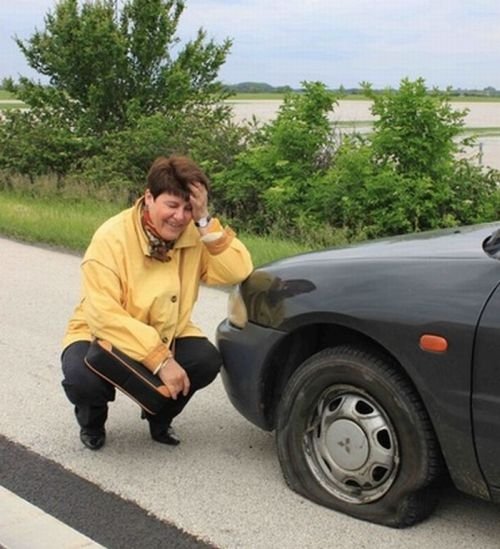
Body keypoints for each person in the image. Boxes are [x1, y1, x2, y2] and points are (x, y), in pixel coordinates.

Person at [61, 155, 253, 450]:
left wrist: (204, 222)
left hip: (166, 330)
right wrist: (161, 360)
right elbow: (102, 314)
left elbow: (237, 270)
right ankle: (92, 423)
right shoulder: (110, 238)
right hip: (102, 332)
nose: (179, 217)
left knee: (206, 360)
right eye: (172, 205)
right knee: (81, 379)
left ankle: (159, 416)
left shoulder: (193, 232)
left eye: (189, 207)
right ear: (149, 197)